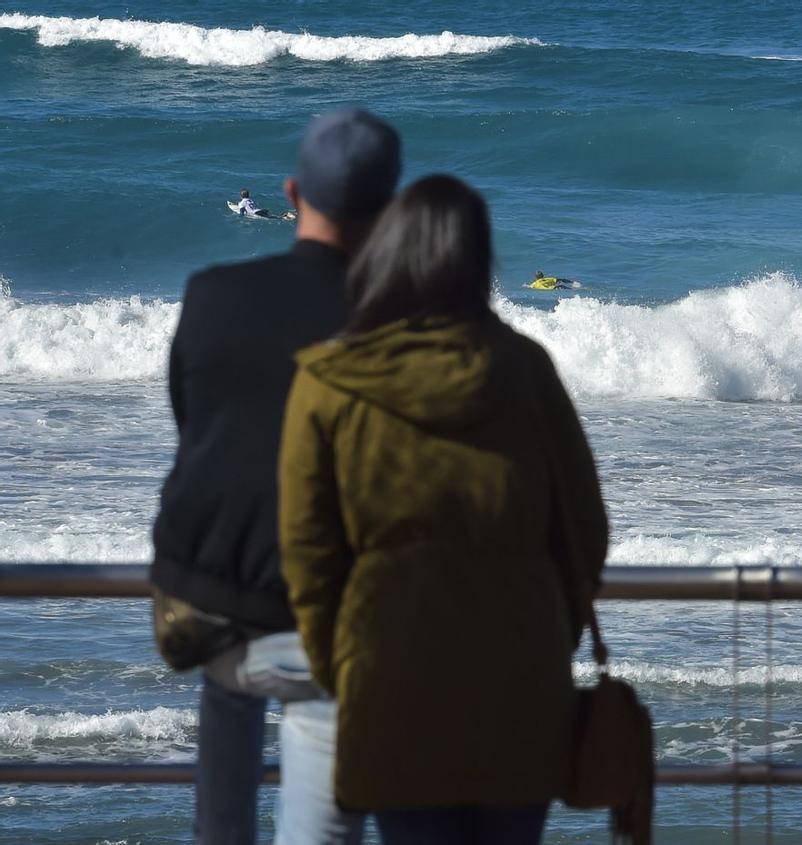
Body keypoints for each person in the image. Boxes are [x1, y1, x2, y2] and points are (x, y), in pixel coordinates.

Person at [279, 174, 609, 844]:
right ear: (479, 260)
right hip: (521, 674)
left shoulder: (328, 380)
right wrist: (552, 635)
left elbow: (306, 552)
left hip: (388, 670)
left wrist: (338, 663)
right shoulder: (525, 368)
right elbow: (586, 528)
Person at [151, 108, 401, 845]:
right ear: (389, 210)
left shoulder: (211, 293)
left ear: (293, 193)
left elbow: (189, 421)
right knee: (321, 808)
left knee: (227, 729)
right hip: (332, 612)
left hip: (212, 599)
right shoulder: (398, 320)